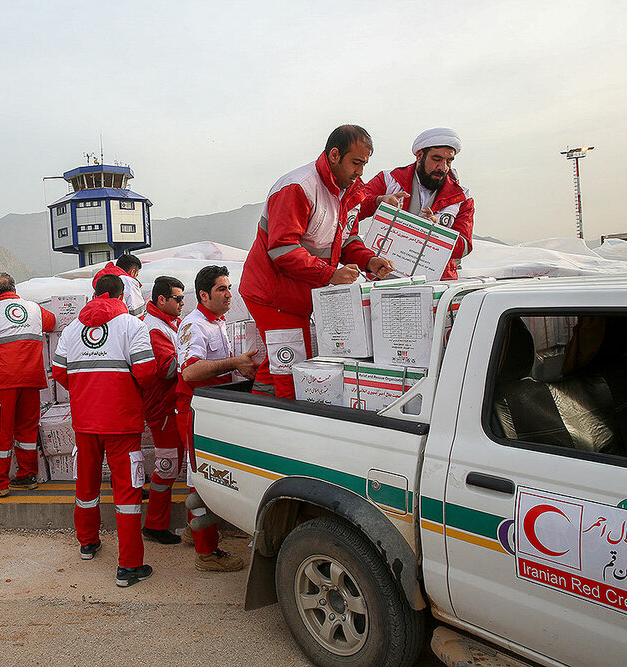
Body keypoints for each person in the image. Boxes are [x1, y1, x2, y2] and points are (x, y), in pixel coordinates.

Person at [239, 125, 394, 398]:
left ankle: (257, 413)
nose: (360, 172)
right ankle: (281, 430)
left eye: (364, 165)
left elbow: (346, 240)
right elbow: (283, 250)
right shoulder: (297, 187)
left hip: (296, 296)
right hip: (273, 295)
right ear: (335, 155)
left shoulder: (349, 192)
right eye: (355, 163)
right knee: (292, 368)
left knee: (281, 364)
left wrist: (369, 261)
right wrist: (329, 275)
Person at [52, 274, 157, 587]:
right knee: (127, 492)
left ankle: (87, 542)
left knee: (86, 484)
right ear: (120, 295)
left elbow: (59, 371)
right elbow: (146, 372)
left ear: (95, 294)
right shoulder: (133, 326)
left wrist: (86, 390)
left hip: (85, 421)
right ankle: (129, 566)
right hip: (122, 423)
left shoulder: (71, 330)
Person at [177, 265, 257, 572]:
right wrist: (234, 363)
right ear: (203, 294)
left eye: (229, 287)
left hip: (214, 408)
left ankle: (191, 532)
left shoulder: (218, 322)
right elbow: (190, 372)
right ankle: (206, 553)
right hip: (197, 411)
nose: (228, 294)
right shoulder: (195, 325)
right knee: (201, 482)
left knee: (204, 477)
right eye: (222, 289)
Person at [0, 272, 56, 497]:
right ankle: (27, 476)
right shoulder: (34, 309)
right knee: (27, 431)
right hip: (32, 380)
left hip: (4, 383)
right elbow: (52, 323)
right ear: (15, 289)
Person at [359, 127, 474, 280]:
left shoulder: (462, 197)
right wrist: (378, 201)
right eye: (437, 159)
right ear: (420, 156)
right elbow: (353, 207)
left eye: (449, 161)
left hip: (436, 284)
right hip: (385, 280)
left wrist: (437, 232)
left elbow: (464, 247)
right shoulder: (389, 180)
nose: (443, 167)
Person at [140, 276, 187, 545]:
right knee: (168, 467)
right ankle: (154, 525)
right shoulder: (155, 328)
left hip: (171, 406)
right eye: (178, 298)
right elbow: (167, 368)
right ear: (161, 300)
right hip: (164, 409)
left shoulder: (169, 324)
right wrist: (193, 357)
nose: (182, 303)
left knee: (173, 465)